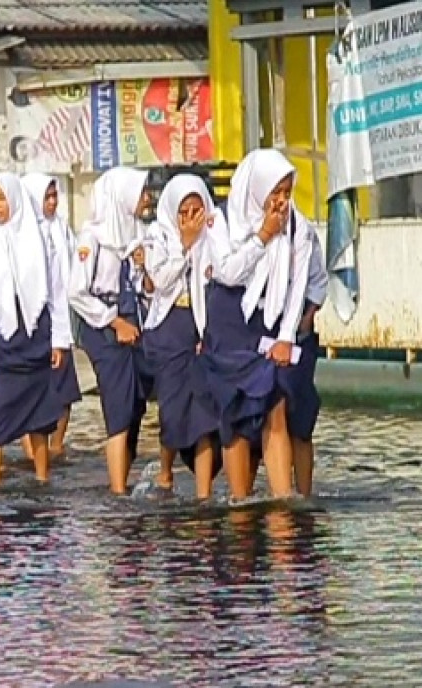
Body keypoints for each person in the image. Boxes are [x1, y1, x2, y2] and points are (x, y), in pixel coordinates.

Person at [200, 149, 313, 500]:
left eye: (286, 192)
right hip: (230, 321)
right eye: (274, 192)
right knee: (233, 416)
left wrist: (286, 336)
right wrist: (263, 235)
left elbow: (297, 287)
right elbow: (229, 272)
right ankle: (240, 502)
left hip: (270, 321)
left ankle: (282, 502)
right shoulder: (220, 221)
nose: (280, 201)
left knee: (275, 407)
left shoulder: (298, 227)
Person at [0, 172, 73, 487]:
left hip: (36, 331)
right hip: (1, 333)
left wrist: (60, 341)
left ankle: (42, 478)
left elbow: (55, 292)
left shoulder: (38, 237)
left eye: (1, 198)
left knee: (40, 415)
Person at [69, 166, 155, 495]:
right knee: (118, 400)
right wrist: (113, 321)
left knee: (136, 402)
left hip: (134, 322)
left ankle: (128, 472)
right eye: (140, 192)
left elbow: (146, 288)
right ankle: (117, 490)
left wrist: (145, 267)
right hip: (104, 324)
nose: (145, 199)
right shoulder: (92, 239)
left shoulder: (138, 235)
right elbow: (77, 292)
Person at [141, 174, 222, 499]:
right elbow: (159, 278)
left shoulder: (215, 233)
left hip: (202, 327)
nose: (190, 218)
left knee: (205, 413)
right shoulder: (157, 235)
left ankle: (204, 492)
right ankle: (165, 472)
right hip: (169, 328)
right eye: (183, 211)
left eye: (196, 209)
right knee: (173, 408)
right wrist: (186, 247)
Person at [21, 172, 82, 458]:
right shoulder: (23, 233)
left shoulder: (61, 229)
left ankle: (56, 446)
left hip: (60, 316)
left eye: (54, 196)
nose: (52, 202)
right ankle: (32, 451)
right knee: (33, 388)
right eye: (46, 197)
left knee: (64, 388)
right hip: (33, 318)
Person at [287, 229, 330, 496]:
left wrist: (308, 314)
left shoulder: (301, 230)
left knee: (301, 422)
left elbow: (318, 281)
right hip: (261, 332)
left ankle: (304, 494)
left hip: (300, 336)